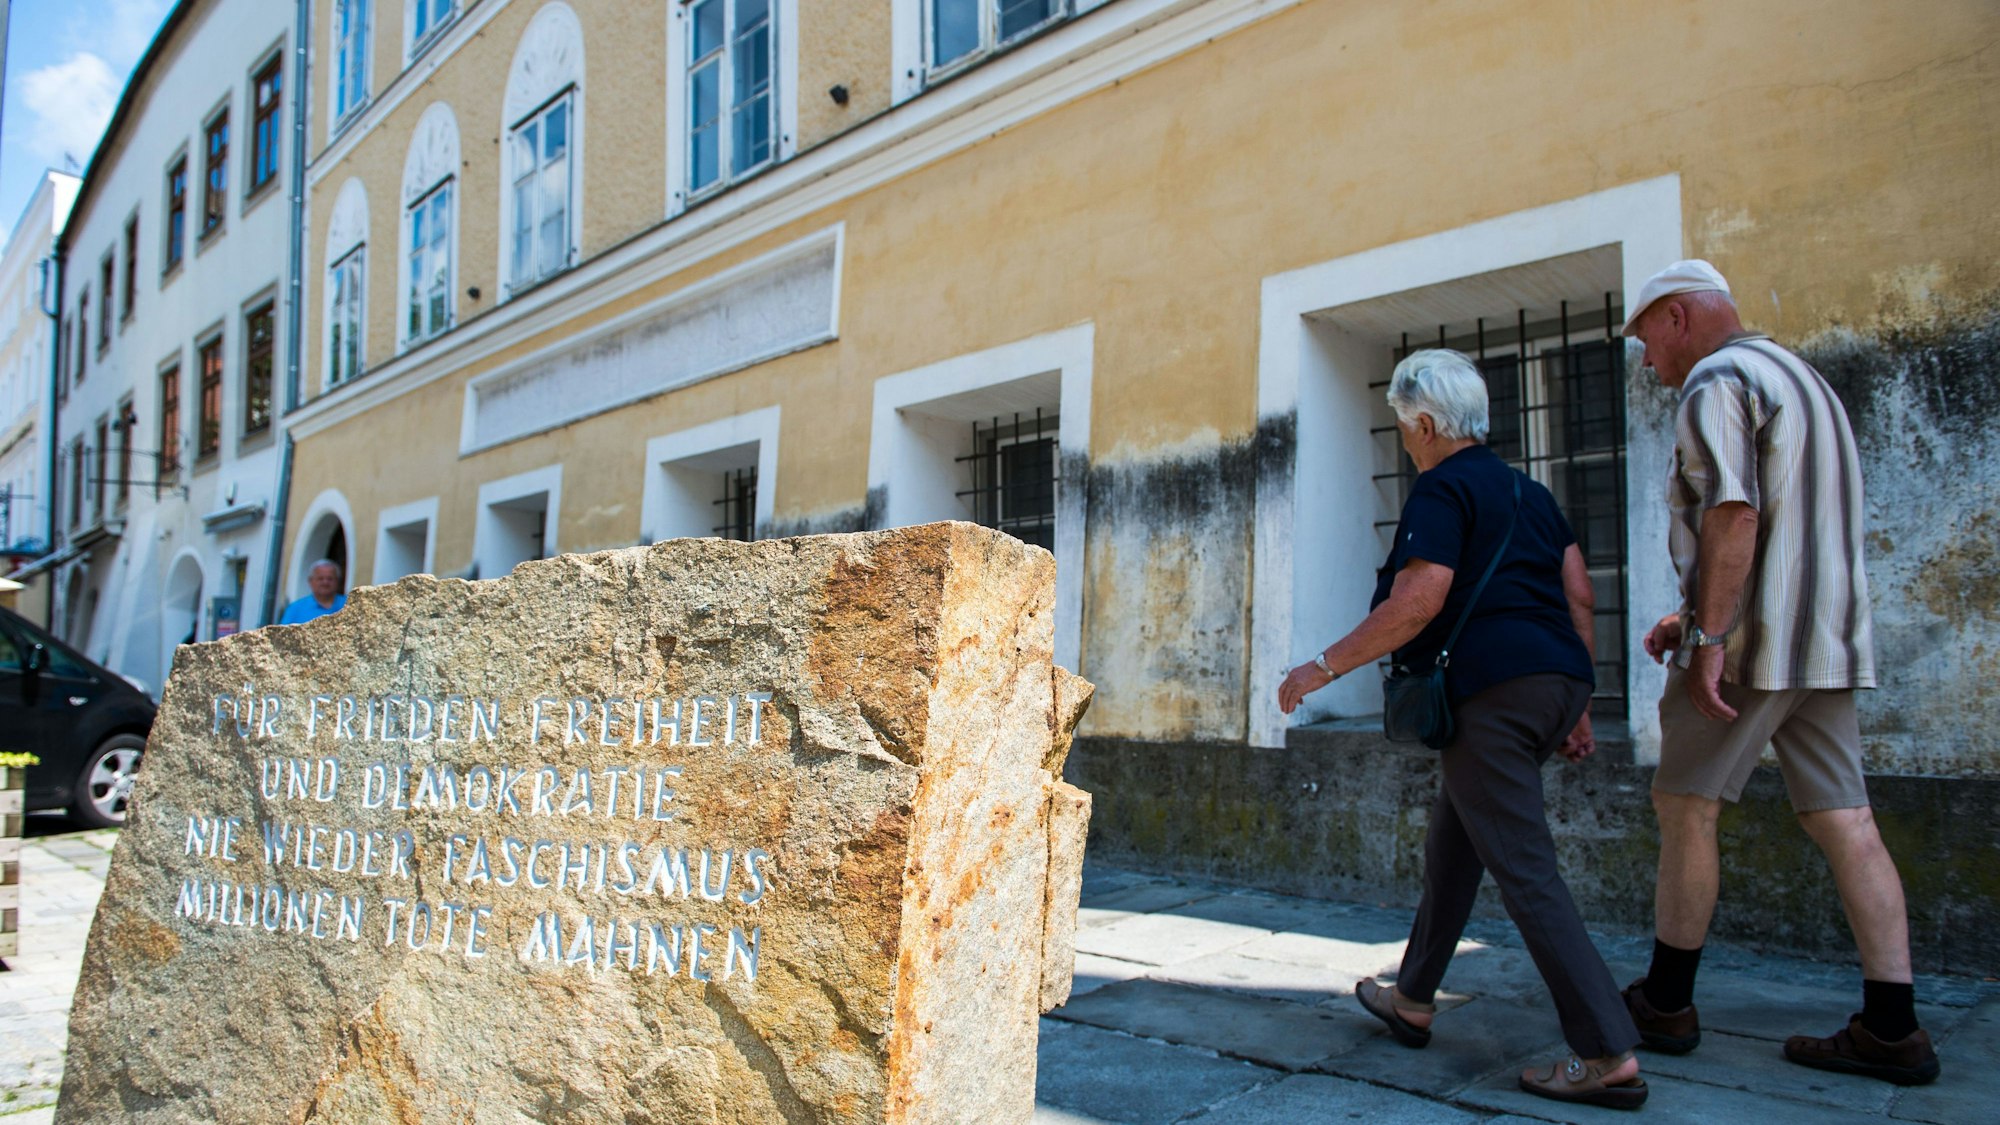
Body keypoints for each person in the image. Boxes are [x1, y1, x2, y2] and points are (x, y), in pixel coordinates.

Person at [1277, 349, 1645, 1110]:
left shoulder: (1442, 488)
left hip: (1492, 696)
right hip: (1553, 681)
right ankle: (1413, 995)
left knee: (1524, 866)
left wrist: (1322, 666)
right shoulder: (1528, 490)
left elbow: (1420, 599)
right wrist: (1575, 703)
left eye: (1404, 428)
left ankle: (1605, 1048)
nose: (1405, 442)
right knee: (1458, 841)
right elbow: (1578, 592)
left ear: (1426, 422)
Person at [1620, 260, 1938, 1085]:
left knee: (1685, 805)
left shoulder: (1715, 382)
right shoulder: (1808, 381)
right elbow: (1787, 520)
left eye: (1645, 337)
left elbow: (1734, 514)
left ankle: (1666, 1000)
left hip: (1753, 646)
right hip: (1826, 644)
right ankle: (1893, 1024)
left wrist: (1711, 637)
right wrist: (1690, 613)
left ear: (1680, 316)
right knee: (1847, 819)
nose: (1646, 360)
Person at [277, 560, 348, 625]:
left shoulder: (348, 604)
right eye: (320, 579)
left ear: (338, 581)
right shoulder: (295, 609)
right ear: (310, 581)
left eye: (330, 579)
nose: (325, 582)